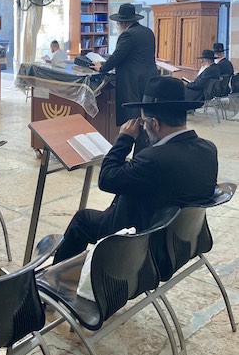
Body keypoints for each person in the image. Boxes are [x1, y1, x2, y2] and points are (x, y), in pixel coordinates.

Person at [53, 76, 218, 264]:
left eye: (143, 123)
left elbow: (106, 179)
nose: (143, 128)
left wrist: (124, 139)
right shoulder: (208, 149)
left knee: (82, 221)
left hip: (143, 246)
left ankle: (57, 281)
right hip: (182, 242)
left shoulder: (153, 159)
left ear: (154, 123)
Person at [90, 2, 157, 152]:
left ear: (122, 22)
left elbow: (117, 57)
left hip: (132, 82)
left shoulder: (128, 34)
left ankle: (134, 152)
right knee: (145, 116)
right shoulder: (147, 32)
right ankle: (143, 151)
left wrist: (102, 67)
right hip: (148, 80)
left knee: (133, 118)